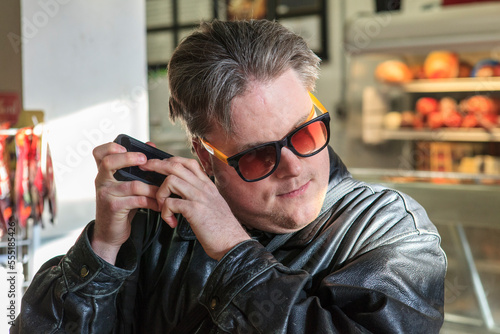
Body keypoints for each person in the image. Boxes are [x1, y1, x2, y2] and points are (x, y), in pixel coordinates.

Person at [12, 19, 446, 333]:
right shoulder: (157, 224)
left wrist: (233, 250)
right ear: (205, 156)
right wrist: (104, 249)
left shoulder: (389, 229)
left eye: (307, 132)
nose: (295, 166)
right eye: (259, 157)